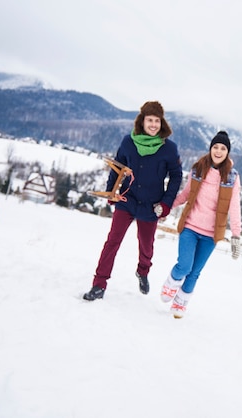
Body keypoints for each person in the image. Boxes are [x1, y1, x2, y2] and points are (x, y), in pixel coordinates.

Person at [83, 101, 183, 301]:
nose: (153, 124)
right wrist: (111, 192)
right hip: (126, 199)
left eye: (157, 120)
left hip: (151, 205)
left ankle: (143, 271)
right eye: (149, 120)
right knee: (112, 242)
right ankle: (99, 284)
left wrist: (165, 203)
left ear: (161, 122)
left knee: (146, 246)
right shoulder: (128, 142)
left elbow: (176, 176)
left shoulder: (169, 148)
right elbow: (117, 167)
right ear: (142, 121)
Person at [159, 131, 242, 318]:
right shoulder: (198, 169)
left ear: (227, 152)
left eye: (223, 148)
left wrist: (236, 234)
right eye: (216, 147)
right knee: (184, 266)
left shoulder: (232, 177)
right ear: (210, 149)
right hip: (190, 226)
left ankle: (180, 303)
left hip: (211, 235)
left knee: (195, 272)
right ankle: (171, 282)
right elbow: (185, 194)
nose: (218, 151)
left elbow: (234, 206)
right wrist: (166, 208)